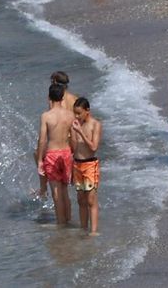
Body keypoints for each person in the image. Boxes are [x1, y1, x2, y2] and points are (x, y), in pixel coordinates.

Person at [36, 83, 76, 224]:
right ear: (62, 97)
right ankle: (68, 221)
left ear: (49, 97)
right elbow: (74, 139)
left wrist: (40, 159)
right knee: (65, 191)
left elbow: (42, 140)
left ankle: (61, 226)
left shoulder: (46, 116)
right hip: (66, 153)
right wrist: (74, 155)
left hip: (52, 154)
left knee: (56, 194)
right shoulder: (70, 115)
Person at [70, 96, 103, 234]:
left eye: (79, 113)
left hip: (90, 164)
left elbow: (93, 147)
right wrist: (71, 134)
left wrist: (80, 132)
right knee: (81, 200)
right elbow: (73, 148)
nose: (76, 116)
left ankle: (93, 231)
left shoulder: (95, 125)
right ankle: (83, 229)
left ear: (87, 111)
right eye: (75, 113)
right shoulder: (75, 125)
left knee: (91, 199)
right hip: (77, 165)